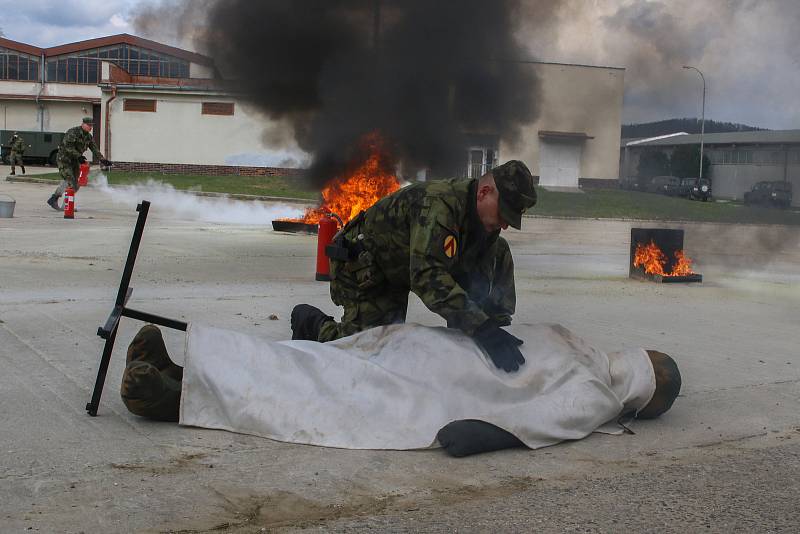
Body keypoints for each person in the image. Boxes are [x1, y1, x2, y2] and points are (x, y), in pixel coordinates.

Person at [118, 325, 682, 458]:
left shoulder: (581, 351)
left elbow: (537, 414)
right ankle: (173, 384)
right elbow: (546, 420)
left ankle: (176, 379)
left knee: (318, 364)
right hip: (440, 374)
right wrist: (484, 436)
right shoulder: (595, 387)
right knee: (318, 380)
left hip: (427, 357)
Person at [291, 160, 538, 373]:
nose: (504, 224)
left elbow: (477, 273)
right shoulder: (439, 206)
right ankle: (311, 322)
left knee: (500, 249)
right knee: (364, 349)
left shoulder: (486, 223)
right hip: (368, 267)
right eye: (503, 213)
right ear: (484, 192)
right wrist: (481, 328)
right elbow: (427, 275)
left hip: (404, 264)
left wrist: (491, 326)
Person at [46, 117, 110, 210]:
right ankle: (67, 206)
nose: (90, 127)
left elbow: (94, 149)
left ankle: (54, 198)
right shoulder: (73, 132)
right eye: (89, 125)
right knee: (70, 181)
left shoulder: (88, 137)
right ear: (83, 124)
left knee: (76, 184)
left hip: (75, 161)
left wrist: (103, 160)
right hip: (64, 159)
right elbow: (68, 147)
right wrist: (79, 156)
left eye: (91, 125)